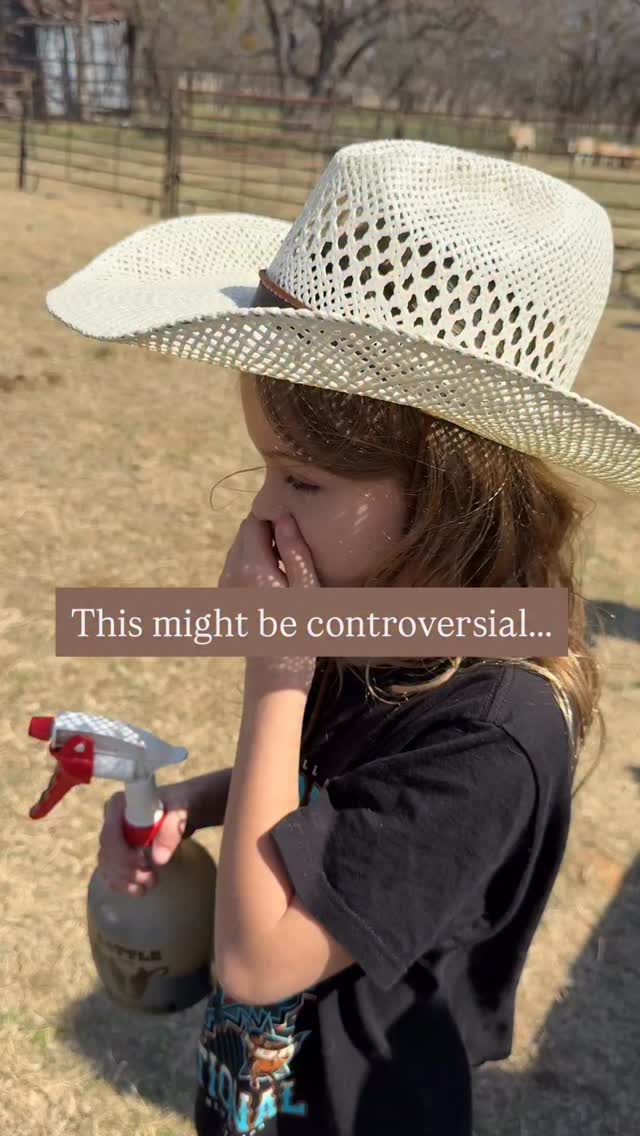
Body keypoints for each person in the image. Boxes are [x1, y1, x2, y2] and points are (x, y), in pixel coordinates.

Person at [47, 140, 640, 1136]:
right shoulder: (384, 612)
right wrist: (194, 801)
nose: (264, 511)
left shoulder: (495, 722)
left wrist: (274, 664)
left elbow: (259, 957)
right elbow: (332, 791)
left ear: (449, 487)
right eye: (265, 467)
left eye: (305, 481)